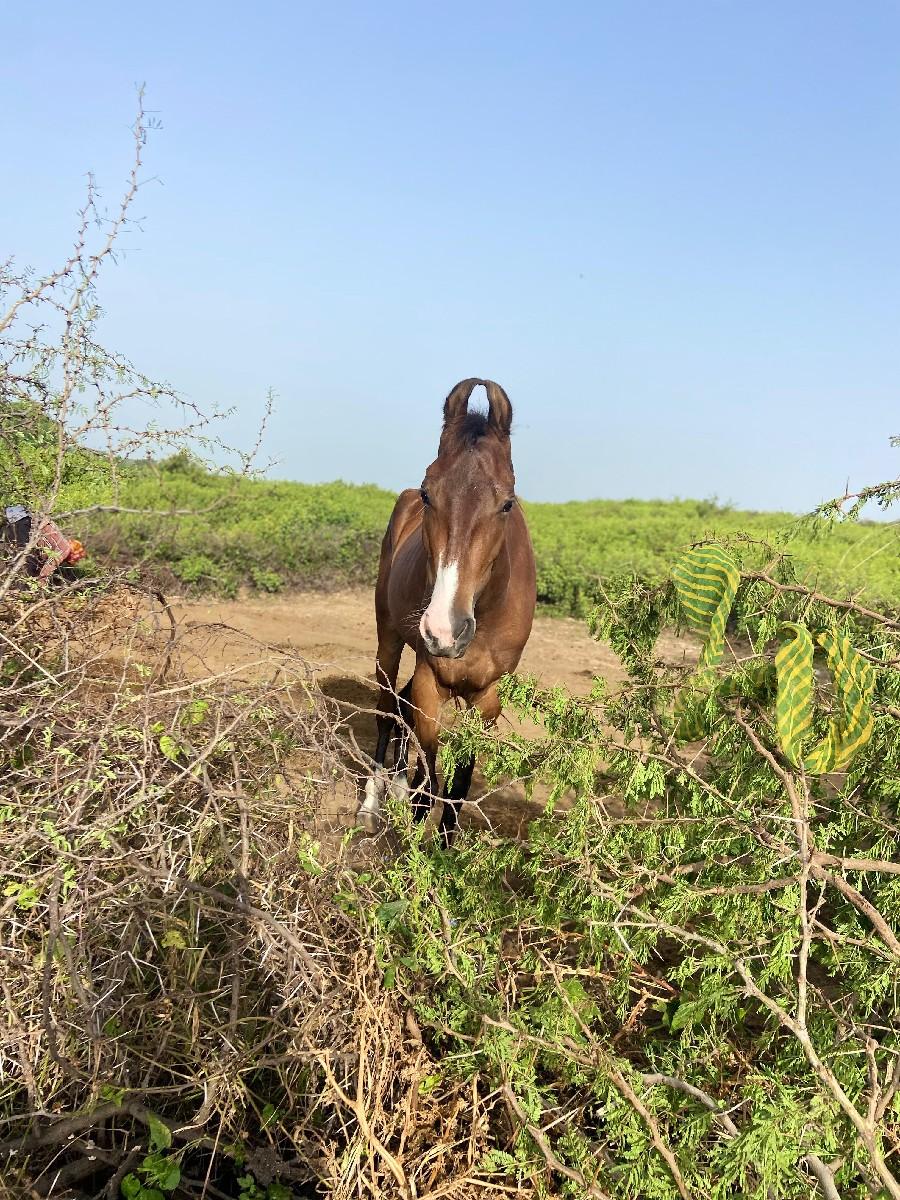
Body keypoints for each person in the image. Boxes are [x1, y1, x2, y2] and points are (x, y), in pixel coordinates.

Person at [2, 505, 86, 582]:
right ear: (74, 554)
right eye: (76, 558)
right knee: (24, 561)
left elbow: (42, 561)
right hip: (26, 522)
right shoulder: (65, 550)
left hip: (16, 518)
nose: (73, 561)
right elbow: (49, 566)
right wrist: (41, 584)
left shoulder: (60, 544)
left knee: (13, 557)